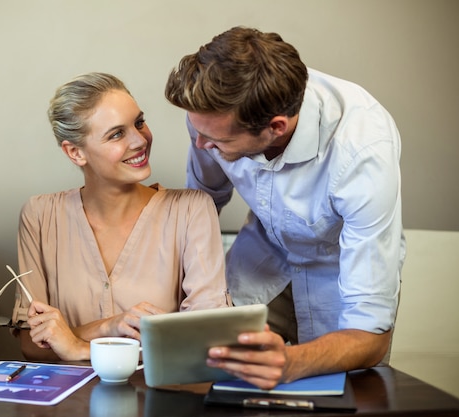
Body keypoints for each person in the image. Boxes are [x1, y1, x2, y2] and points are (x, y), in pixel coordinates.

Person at [164, 26, 405, 389]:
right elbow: (202, 205)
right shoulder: (210, 118)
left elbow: (369, 335)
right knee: (206, 376)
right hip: (262, 256)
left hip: (341, 270)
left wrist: (290, 363)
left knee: (345, 393)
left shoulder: (363, 152)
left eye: (215, 140)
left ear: (275, 127)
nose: (199, 144)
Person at [11, 72, 230, 362]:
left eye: (139, 122)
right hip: (65, 406)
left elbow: (208, 341)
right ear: (75, 152)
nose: (139, 140)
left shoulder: (191, 210)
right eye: (116, 134)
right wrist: (108, 326)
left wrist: (78, 345)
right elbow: (30, 341)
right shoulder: (40, 216)